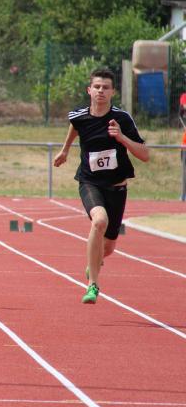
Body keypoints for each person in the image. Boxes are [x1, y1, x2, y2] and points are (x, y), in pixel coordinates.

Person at [53, 68, 149, 304]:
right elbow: (75, 127)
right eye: (97, 87)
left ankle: (94, 263)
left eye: (106, 87)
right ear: (89, 90)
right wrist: (65, 150)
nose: (101, 91)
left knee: (109, 248)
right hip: (90, 182)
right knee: (99, 221)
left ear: (113, 92)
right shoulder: (79, 116)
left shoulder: (122, 119)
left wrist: (121, 138)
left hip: (117, 186)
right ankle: (92, 285)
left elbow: (145, 155)